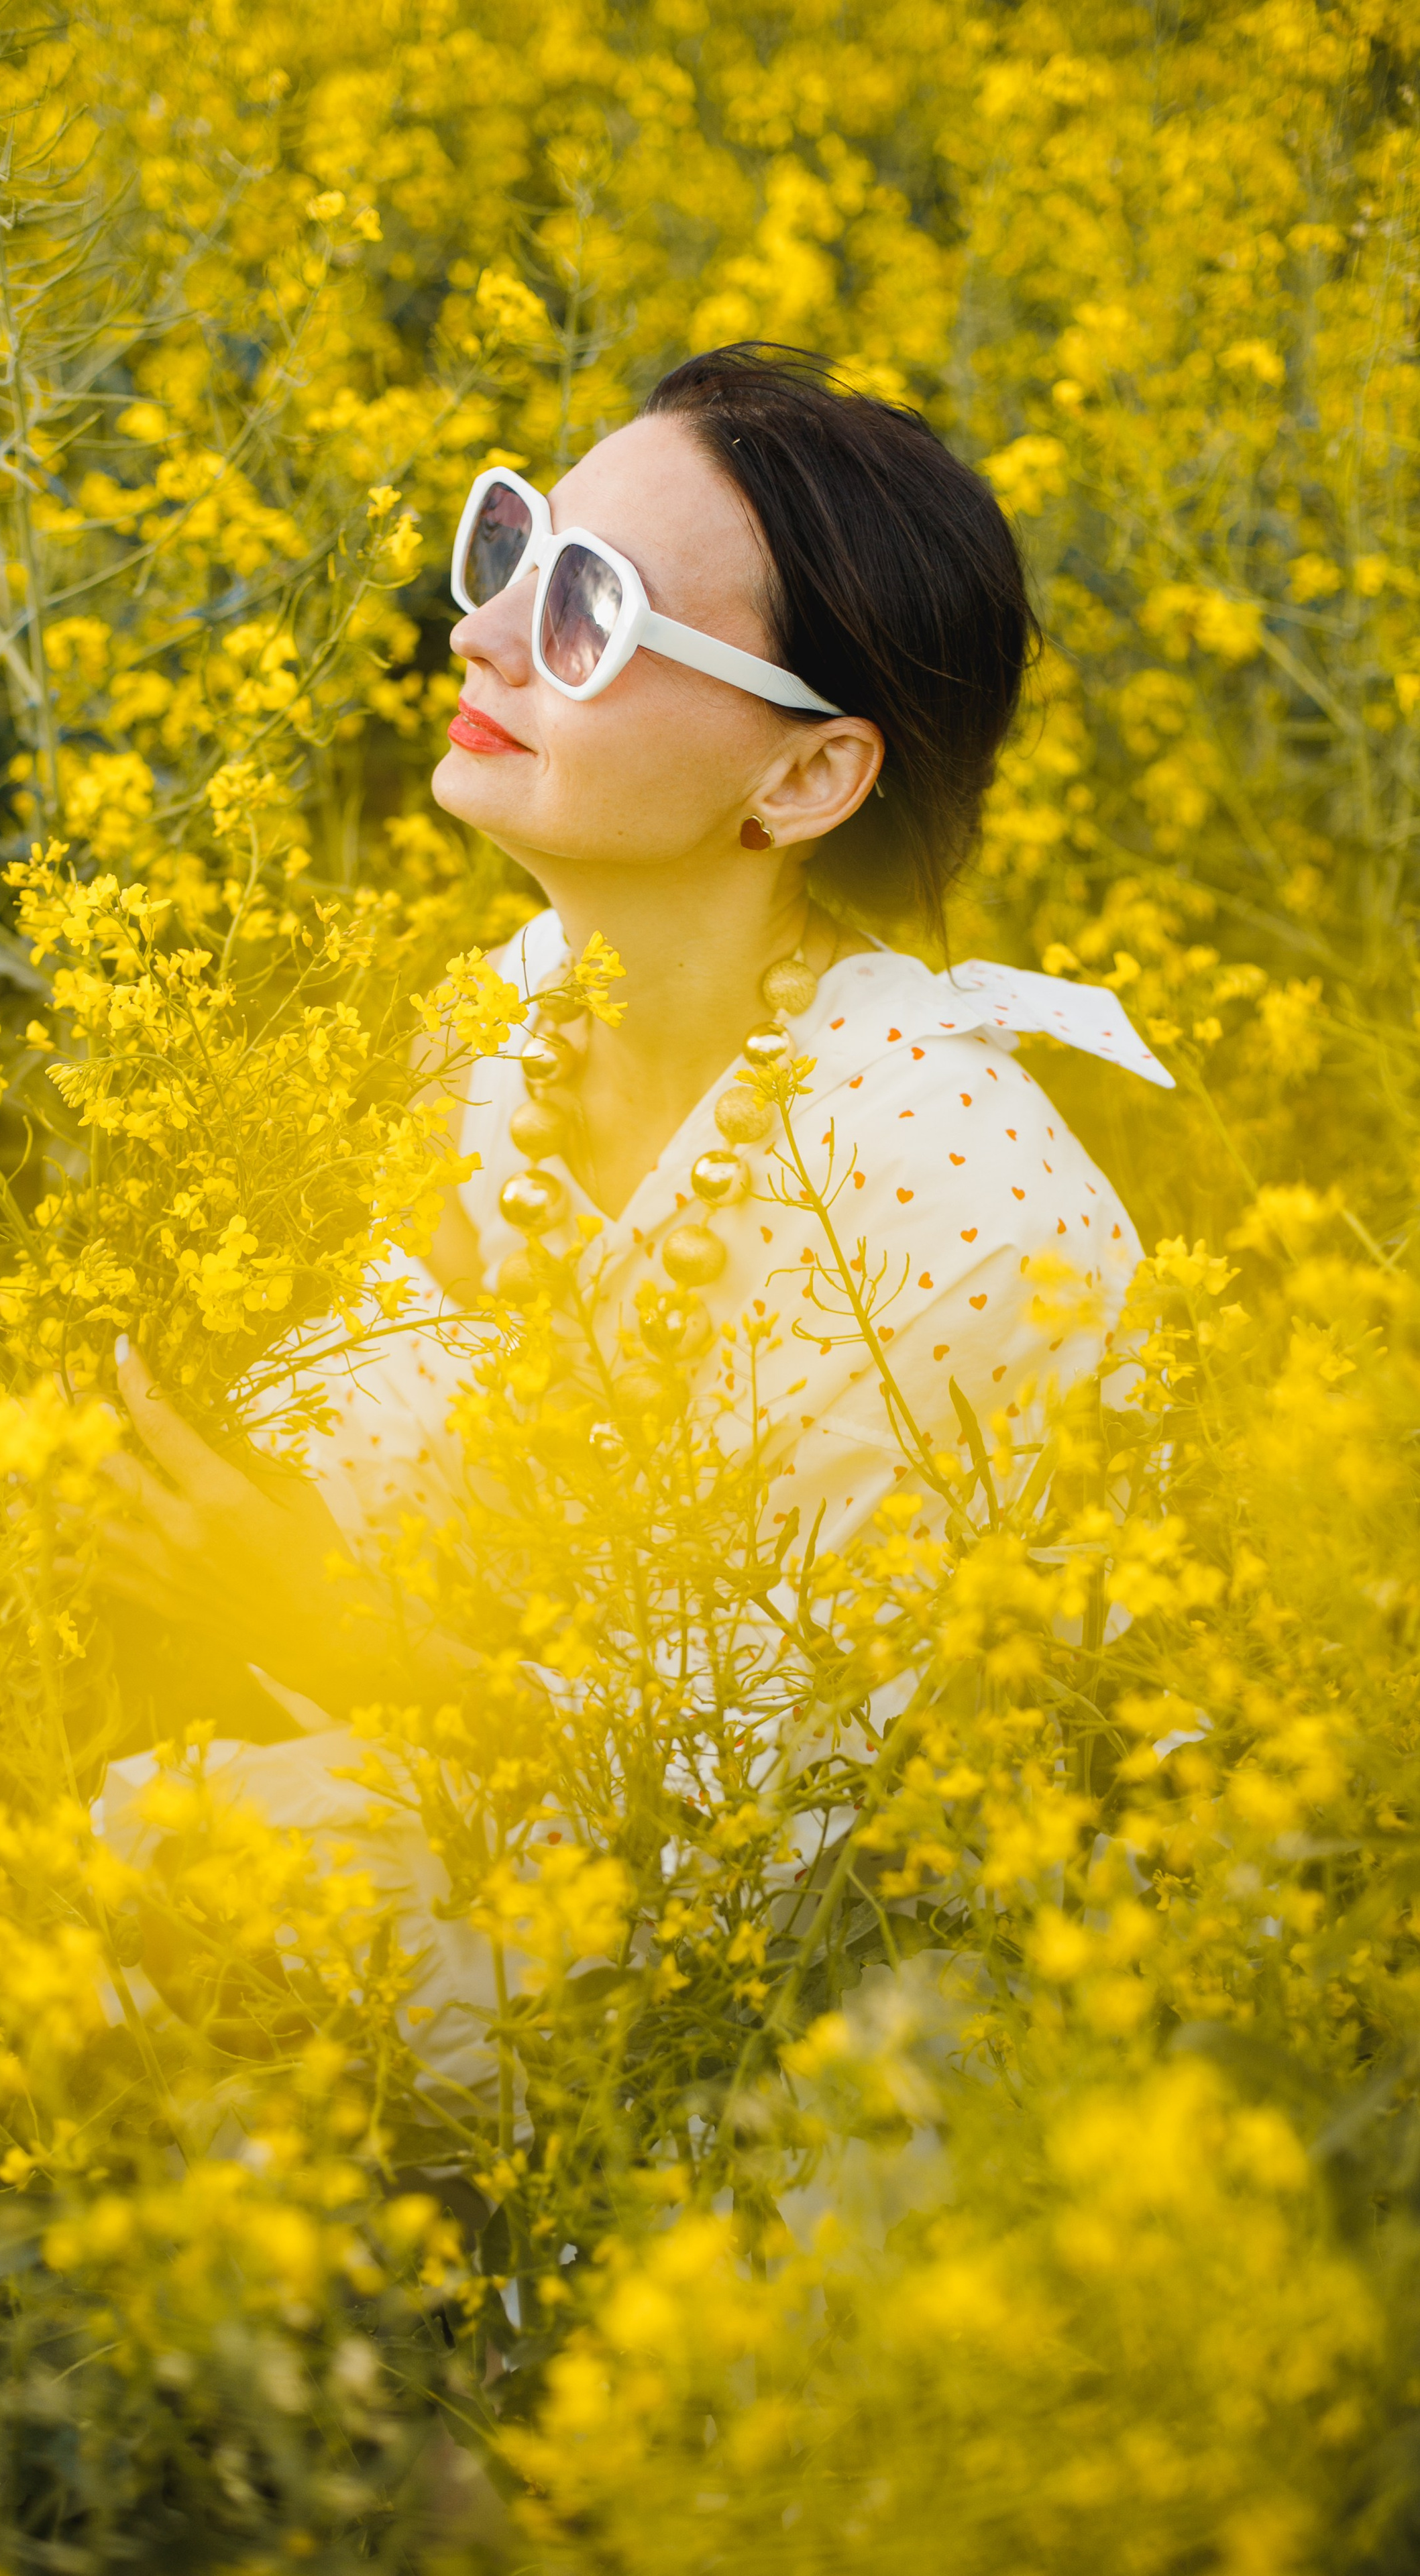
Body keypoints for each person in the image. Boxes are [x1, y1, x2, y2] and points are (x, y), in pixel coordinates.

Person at [95, 346, 1172, 2090]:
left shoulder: (964, 1217)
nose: (483, 636)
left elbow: (771, 1862)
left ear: (807, 782)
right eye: (512, 547)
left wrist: (326, 1627)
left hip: (822, 2056)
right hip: (490, 1847)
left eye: (588, 609)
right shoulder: (516, 1006)